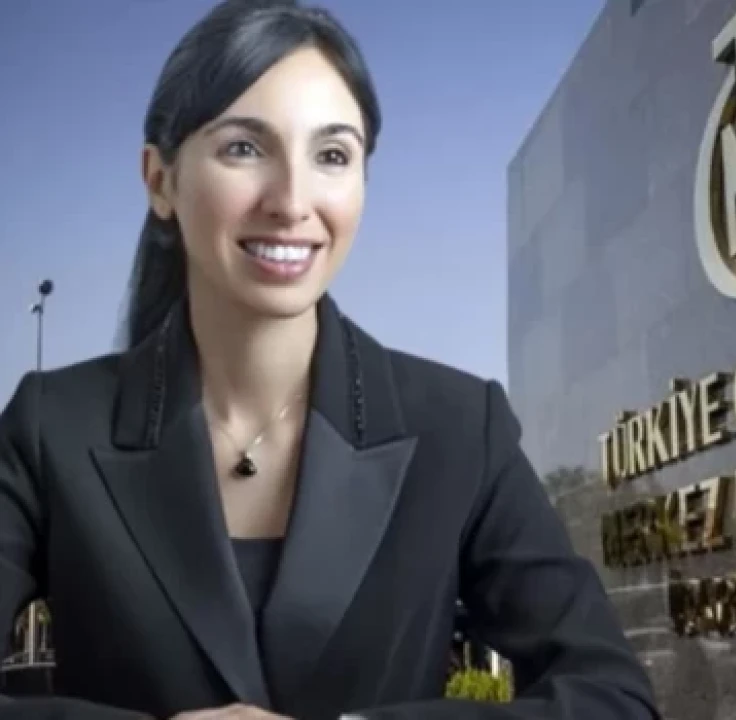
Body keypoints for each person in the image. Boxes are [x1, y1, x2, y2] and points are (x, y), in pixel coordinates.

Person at [0, 2, 659, 719]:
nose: (292, 201)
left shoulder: (461, 428)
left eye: (333, 156)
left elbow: (611, 698)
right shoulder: (50, 426)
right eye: (244, 148)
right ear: (160, 180)